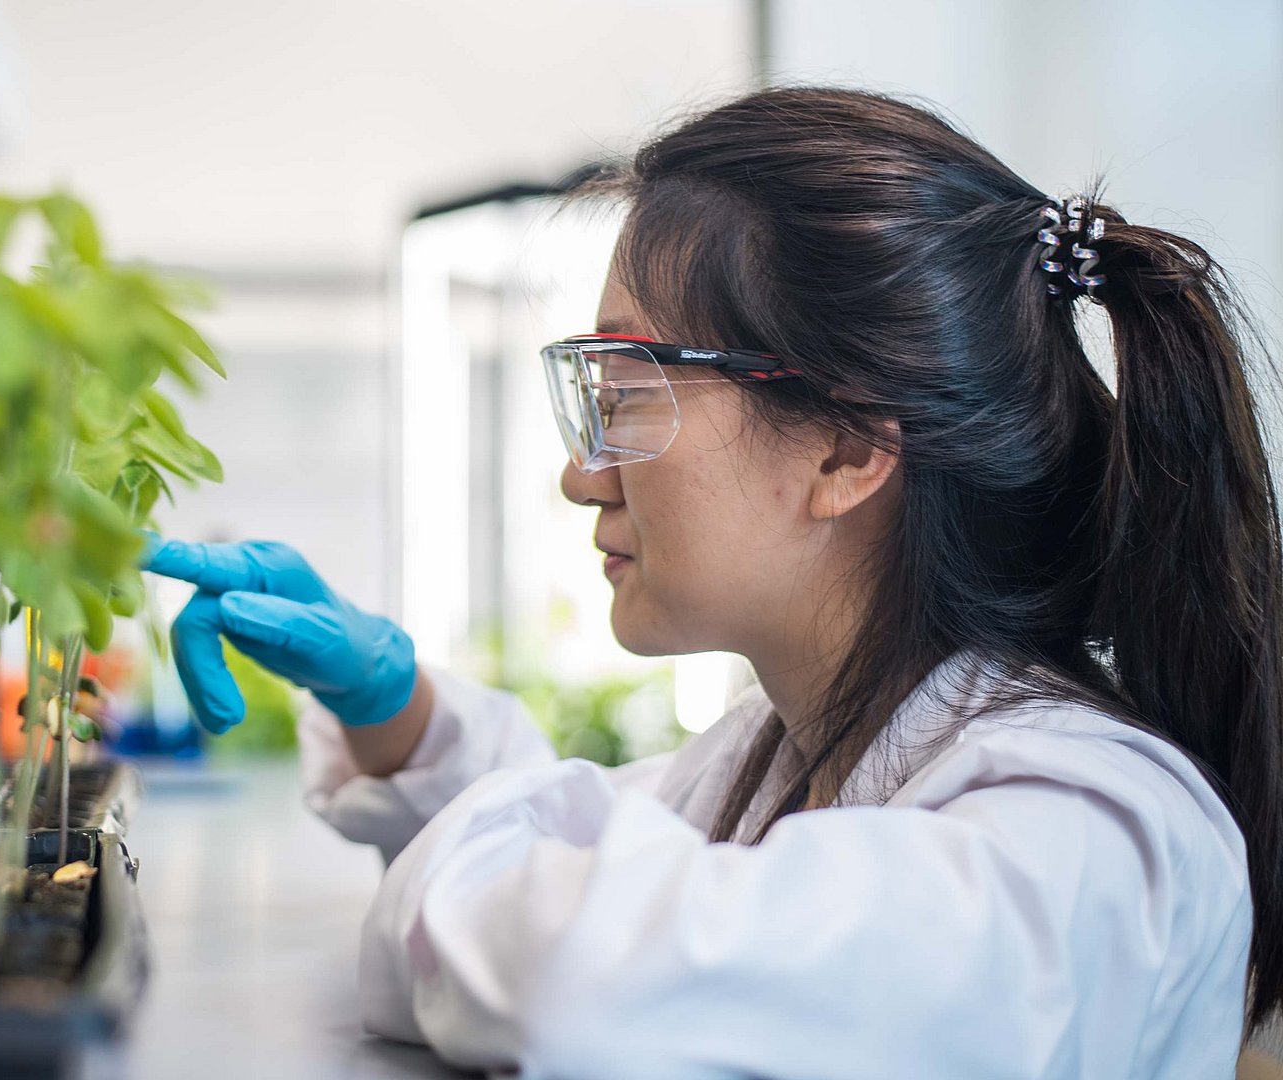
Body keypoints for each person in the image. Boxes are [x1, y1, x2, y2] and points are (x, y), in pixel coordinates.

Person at [143, 87, 1283, 1078]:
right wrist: (396, 708)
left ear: (844, 448)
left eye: (629, 391)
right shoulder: (778, 757)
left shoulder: (1093, 832)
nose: (581, 475)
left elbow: (580, 971)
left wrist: (513, 881)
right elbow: (591, 881)